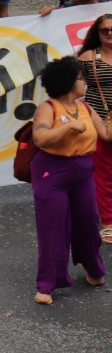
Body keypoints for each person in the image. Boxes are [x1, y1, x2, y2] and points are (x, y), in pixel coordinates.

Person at [29, 56, 110, 305]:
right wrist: (67, 128)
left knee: (87, 223)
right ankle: (47, 284)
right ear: (67, 81)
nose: (84, 82)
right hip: (52, 172)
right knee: (53, 228)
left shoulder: (86, 107)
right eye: (80, 78)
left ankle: (93, 269)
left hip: (83, 172)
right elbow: (40, 138)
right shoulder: (48, 107)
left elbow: (106, 135)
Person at [77, 15, 112, 245]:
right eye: (105, 30)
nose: (110, 33)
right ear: (96, 33)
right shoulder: (88, 58)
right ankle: (108, 223)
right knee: (104, 174)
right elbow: (77, 86)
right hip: (101, 121)